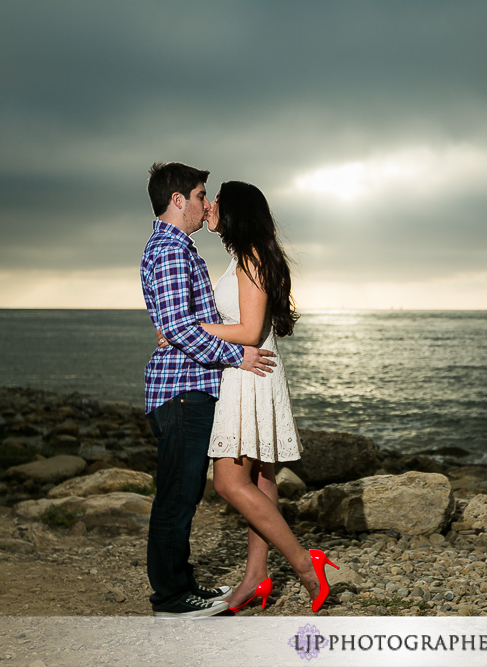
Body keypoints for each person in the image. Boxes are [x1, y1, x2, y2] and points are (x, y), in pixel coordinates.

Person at [164, 181, 337, 614]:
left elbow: (248, 331)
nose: (210, 207)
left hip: (249, 377)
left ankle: (304, 564)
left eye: (217, 201)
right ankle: (256, 577)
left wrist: (183, 332)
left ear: (237, 210)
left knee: (228, 482)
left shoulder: (252, 258)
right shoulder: (245, 256)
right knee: (261, 478)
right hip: (252, 373)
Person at [140, 162, 277, 618]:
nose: (205, 202)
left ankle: (181, 585)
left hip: (186, 386)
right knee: (177, 497)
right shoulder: (173, 251)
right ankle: (171, 597)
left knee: (183, 495)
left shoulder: (176, 248)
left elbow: (180, 322)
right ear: (178, 200)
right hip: (182, 389)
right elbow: (180, 325)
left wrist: (181, 329)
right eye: (200, 194)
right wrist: (238, 357)